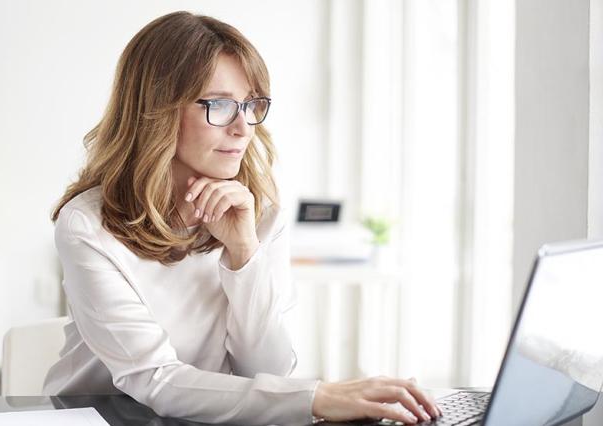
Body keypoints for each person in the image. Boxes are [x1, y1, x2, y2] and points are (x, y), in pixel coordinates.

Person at [44, 11, 440, 425]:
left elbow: (266, 373)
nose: (243, 127)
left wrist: (244, 254)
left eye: (251, 105)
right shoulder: (88, 226)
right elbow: (154, 380)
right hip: (98, 416)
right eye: (219, 105)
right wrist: (318, 396)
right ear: (157, 109)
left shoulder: (260, 212)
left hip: (202, 417)